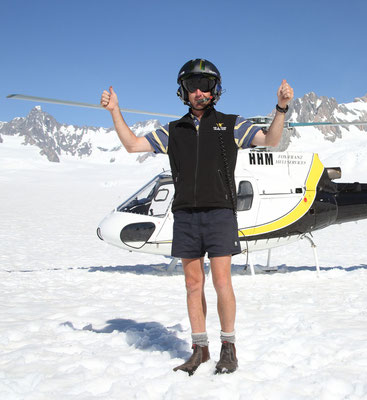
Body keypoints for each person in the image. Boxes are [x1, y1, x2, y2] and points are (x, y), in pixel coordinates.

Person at [101, 58, 293, 375]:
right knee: (193, 284)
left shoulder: (233, 124)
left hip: (220, 214)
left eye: (206, 86)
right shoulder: (173, 131)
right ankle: (199, 349)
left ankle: (228, 348)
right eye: (193, 86)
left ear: (215, 90)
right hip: (186, 216)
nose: (199, 92)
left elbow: (270, 141)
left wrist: (281, 108)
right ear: (184, 91)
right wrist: (114, 112)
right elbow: (134, 145)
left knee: (221, 281)